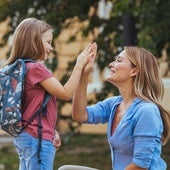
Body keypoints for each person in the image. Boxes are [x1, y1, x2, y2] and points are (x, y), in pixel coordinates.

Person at [4, 17, 96, 170]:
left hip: (24, 136)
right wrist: (79, 65)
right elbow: (65, 93)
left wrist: (51, 130)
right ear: (33, 41)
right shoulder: (35, 69)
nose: (51, 48)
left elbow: (30, 108)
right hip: (37, 138)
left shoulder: (19, 68)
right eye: (48, 42)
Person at [71, 46, 170, 170]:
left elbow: (140, 165)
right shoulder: (114, 104)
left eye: (118, 60)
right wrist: (84, 75)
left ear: (134, 71)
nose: (111, 64)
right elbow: (80, 115)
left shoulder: (147, 111)